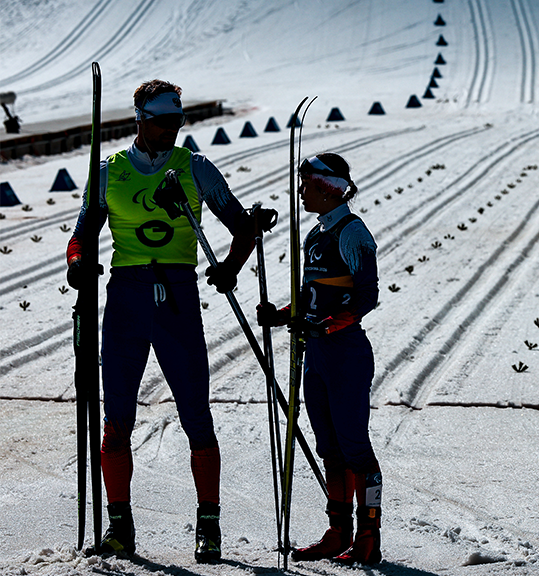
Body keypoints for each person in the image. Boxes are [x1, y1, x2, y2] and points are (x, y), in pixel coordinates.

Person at [65, 79, 258, 563]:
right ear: (140, 119)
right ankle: (120, 526)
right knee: (117, 422)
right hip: (125, 300)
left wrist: (229, 268)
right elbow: (81, 234)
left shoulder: (194, 167)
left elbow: (243, 229)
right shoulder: (107, 172)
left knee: (197, 415)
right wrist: (77, 264)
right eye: (161, 122)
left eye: (177, 121)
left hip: (177, 298)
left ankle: (209, 526)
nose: (171, 130)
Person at [256, 153, 383, 565]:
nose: (301, 192)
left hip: (345, 354)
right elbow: (310, 297)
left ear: (330, 187)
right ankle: (337, 531)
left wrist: (336, 322)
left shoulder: (352, 232)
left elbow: (367, 295)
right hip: (315, 355)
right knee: (329, 447)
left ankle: (368, 535)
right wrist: (282, 314)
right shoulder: (315, 236)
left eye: (307, 185)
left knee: (355, 449)